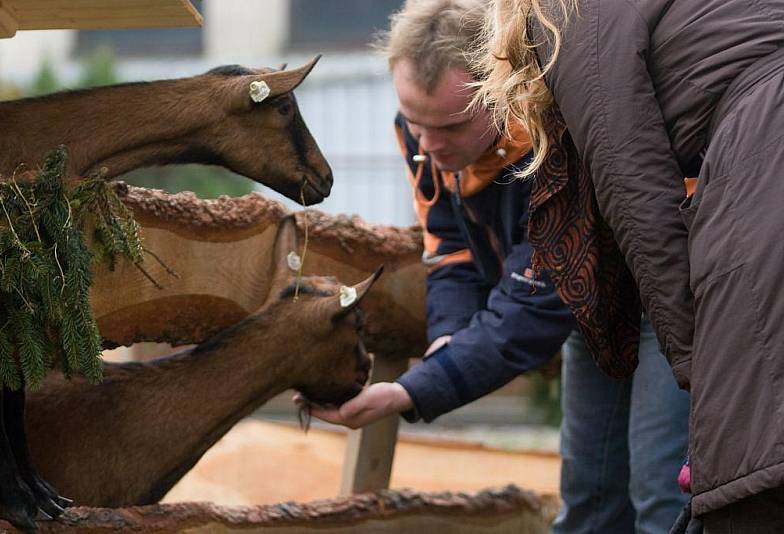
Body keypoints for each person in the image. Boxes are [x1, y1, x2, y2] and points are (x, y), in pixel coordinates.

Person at [303, 1, 688, 531]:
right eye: (416, 124)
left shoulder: (559, 135)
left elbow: (534, 300)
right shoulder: (428, 134)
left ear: (502, 93)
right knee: (589, 502)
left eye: (451, 127)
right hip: (590, 306)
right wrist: (449, 335)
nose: (430, 146)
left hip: (669, 300)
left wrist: (416, 387)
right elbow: (451, 248)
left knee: (661, 497)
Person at [476, 0, 784, 531]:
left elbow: (638, 201)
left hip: (765, 156)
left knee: (753, 483)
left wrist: (699, 376)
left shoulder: (565, 12)